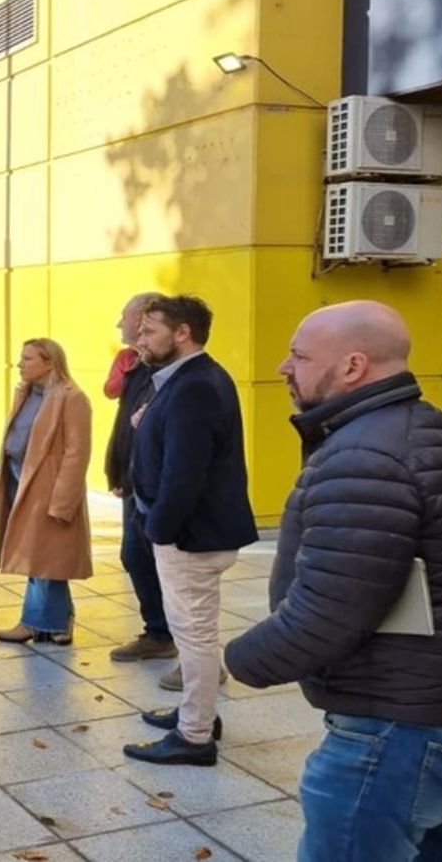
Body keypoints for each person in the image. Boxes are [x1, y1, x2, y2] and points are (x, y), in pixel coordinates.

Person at [224, 301, 442, 860]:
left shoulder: (363, 452)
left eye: (300, 355)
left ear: (353, 367)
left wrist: (232, 663)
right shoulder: (428, 425)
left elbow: (325, 615)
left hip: (398, 730)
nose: (284, 366)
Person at [122, 295, 257, 767]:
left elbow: (185, 471)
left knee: (195, 636)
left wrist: (158, 529)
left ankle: (195, 735)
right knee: (197, 631)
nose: (140, 338)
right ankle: (195, 712)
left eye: (149, 330)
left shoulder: (195, 384)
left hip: (191, 536)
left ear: (182, 333)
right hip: (192, 532)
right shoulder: (186, 378)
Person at [0, 338, 93, 646]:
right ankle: (56, 620)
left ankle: (38, 622)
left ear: (49, 362)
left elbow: (77, 453)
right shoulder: (25, 393)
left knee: (45, 557)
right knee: (42, 557)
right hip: (18, 480)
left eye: (28, 358)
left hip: (47, 487)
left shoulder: (72, 398)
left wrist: (63, 501)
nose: (20, 363)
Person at [102, 291, 177, 665]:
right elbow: (124, 423)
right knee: (136, 554)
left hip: (157, 485)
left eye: (126, 318)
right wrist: (116, 470)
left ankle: (169, 635)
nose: (121, 326)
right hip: (135, 479)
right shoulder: (136, 366)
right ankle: (160, 631)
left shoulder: (172, 372)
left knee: (158, 560)